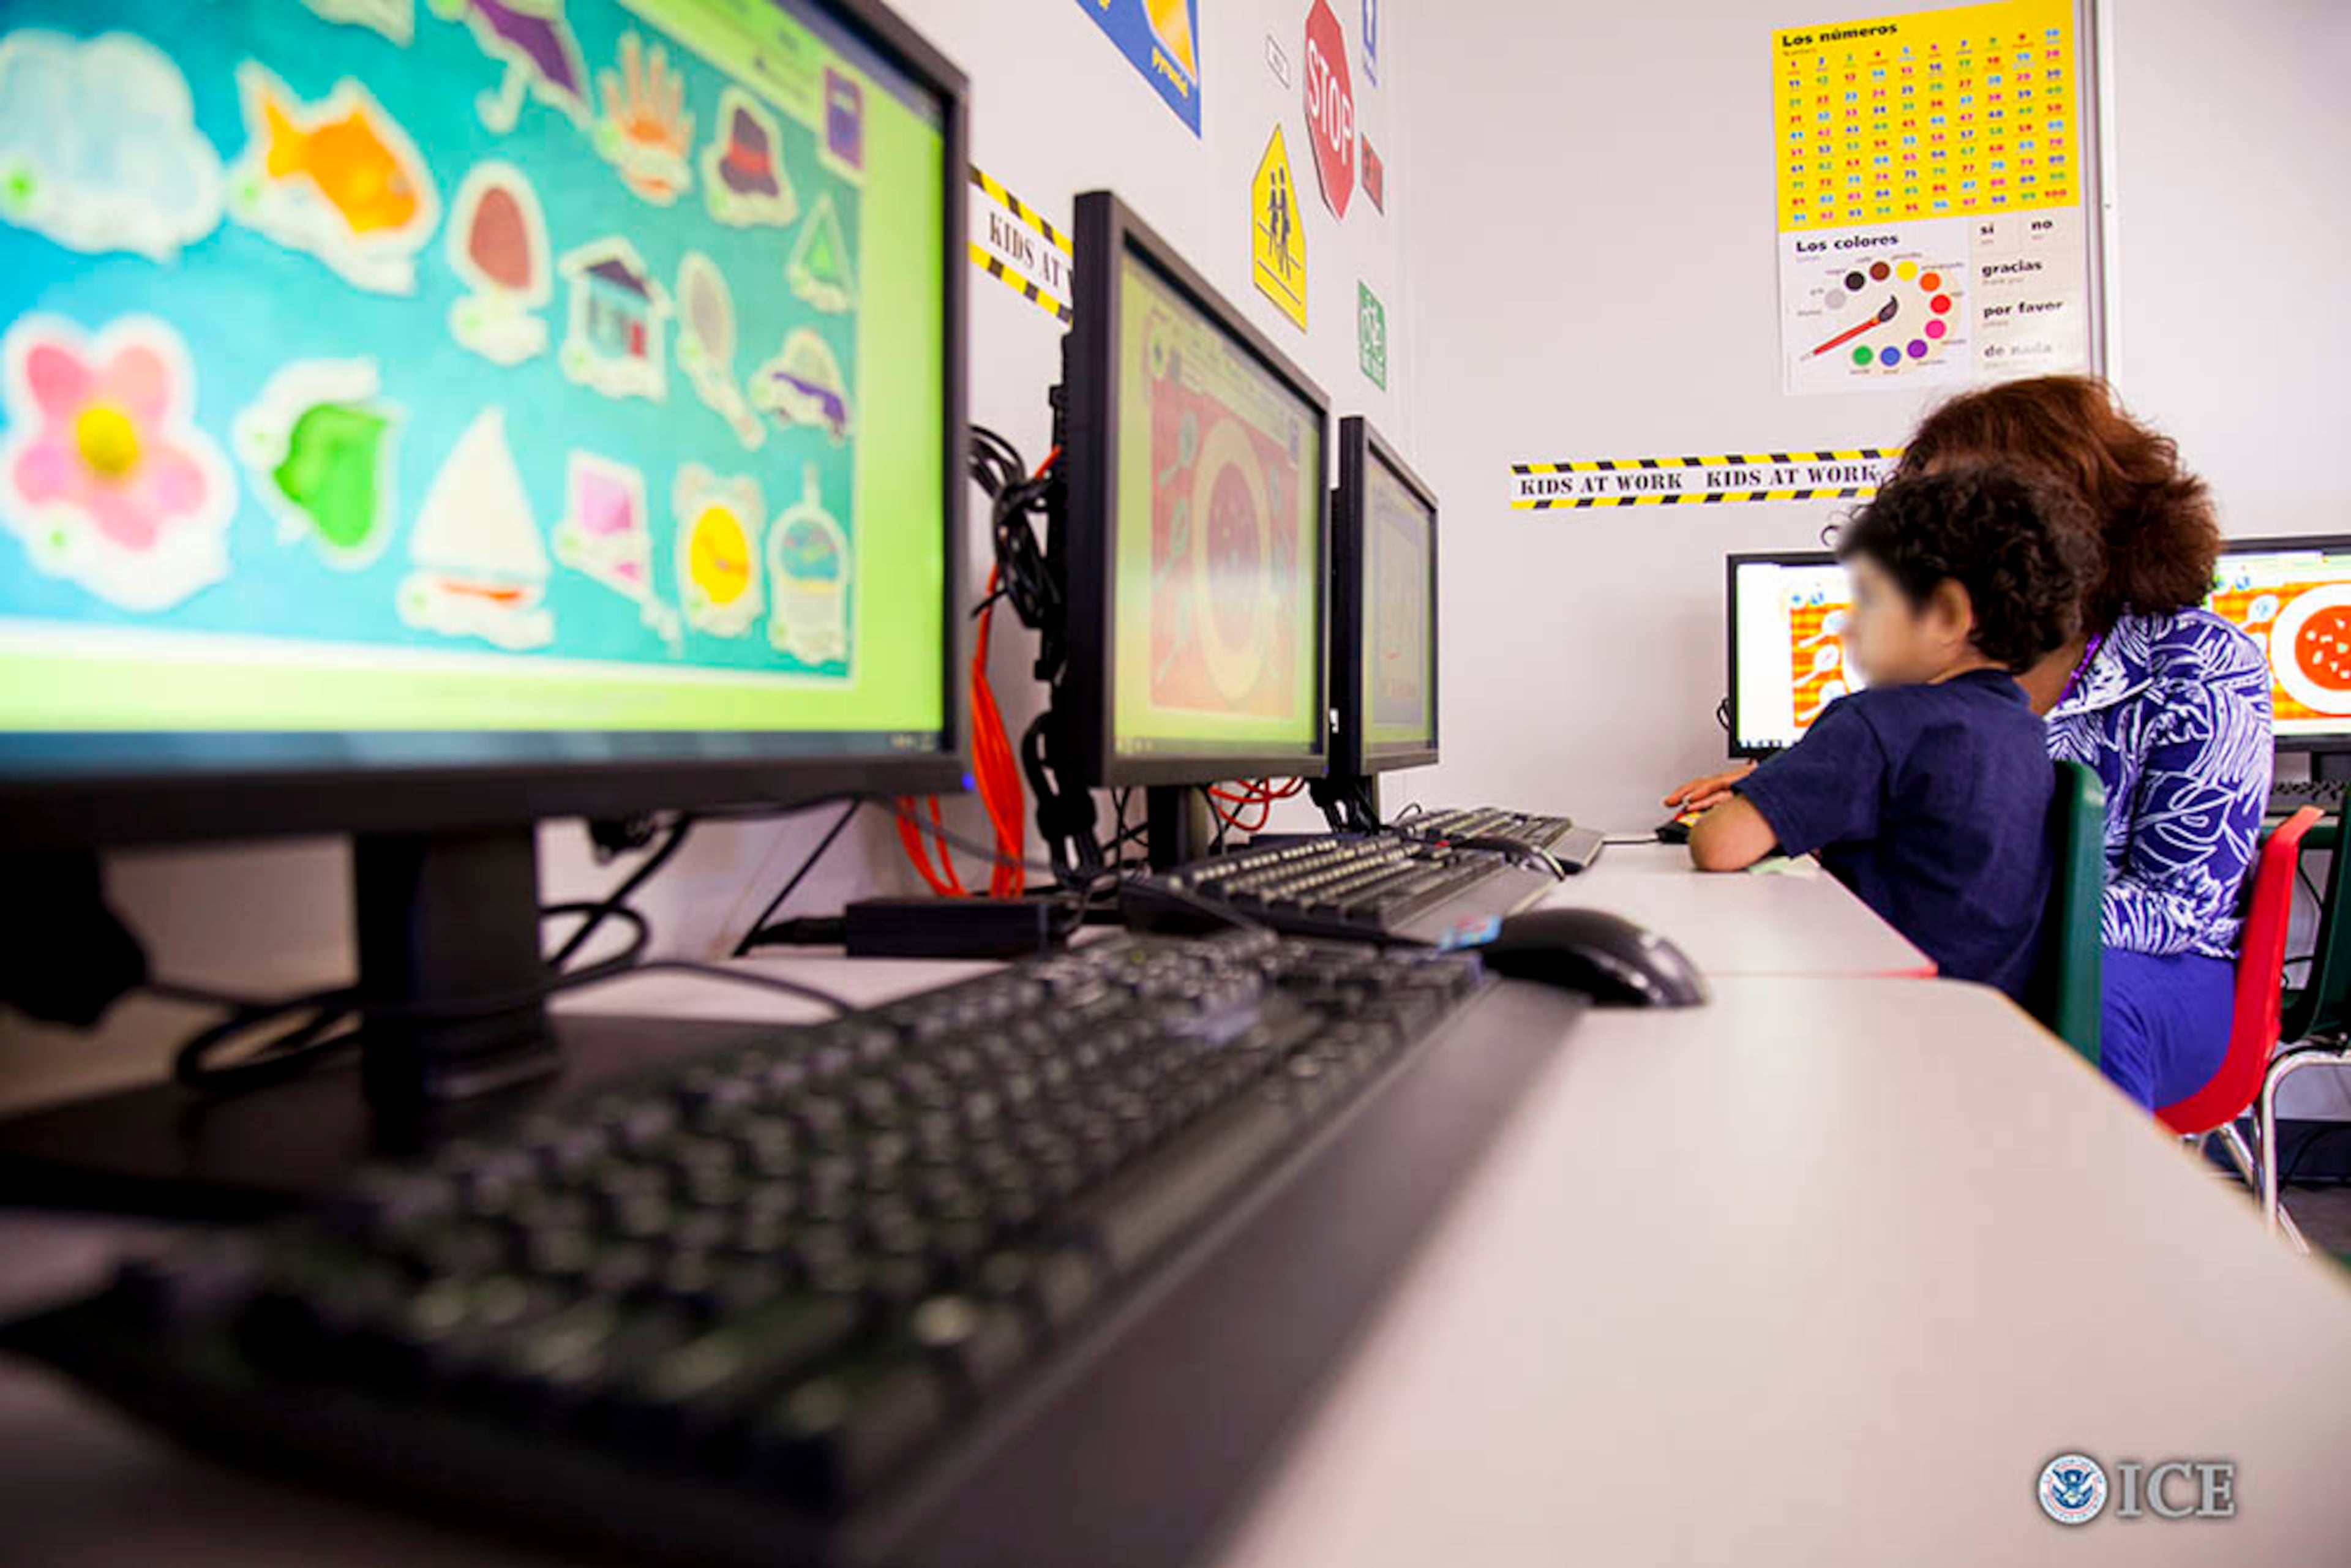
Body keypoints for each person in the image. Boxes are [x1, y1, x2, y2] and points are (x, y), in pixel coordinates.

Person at [1669, 377, 2272, 1112]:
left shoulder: (2200, 660)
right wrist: (1809, 791)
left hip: (2153, 963)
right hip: (1981, 938)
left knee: (2086, 1008)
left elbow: (2181, 901)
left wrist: (1996, 913)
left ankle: (2081, 1215)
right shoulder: (1946, 671)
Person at [1684, 467, 2090, 1003]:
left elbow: (1718, 846)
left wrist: (1758, 798)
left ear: (1947, 616)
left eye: (1871, 601)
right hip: (1990, 1026)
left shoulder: (1878, 724)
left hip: (1888, 1023)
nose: (1848, 627)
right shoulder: (2023, 732)